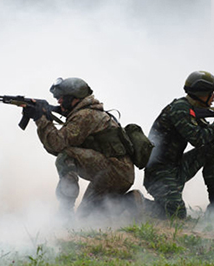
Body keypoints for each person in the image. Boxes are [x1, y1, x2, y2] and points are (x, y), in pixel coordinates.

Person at [143, 71, 214, 219]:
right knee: (176, 214)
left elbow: (210, 137)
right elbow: (198, 139)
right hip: (158, 173)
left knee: (211, 150)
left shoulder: (191, 109)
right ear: (201, 93)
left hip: (175, 167)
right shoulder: (180, 109)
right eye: (211, 93)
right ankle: (135, 203)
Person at [22, 77, 137, 219]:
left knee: (66, 155)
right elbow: (55, 146)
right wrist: (46, 113)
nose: (59, 101)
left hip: (113, 171)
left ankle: (65, 212)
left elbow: (57, 145)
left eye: (62, 98)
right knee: (86, 217)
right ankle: (130, 202)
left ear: (74, 98)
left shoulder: (85, 116)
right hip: (118, 172)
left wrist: (40, 118)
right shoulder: (88, 112)